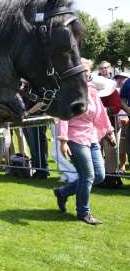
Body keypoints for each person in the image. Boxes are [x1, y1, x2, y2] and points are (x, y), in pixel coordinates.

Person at [53, 59, 115, 225]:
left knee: (99, 176)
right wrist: (63, 140)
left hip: (92, 137)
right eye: (82, 70)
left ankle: (63, 192)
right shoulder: (69, 92)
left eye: (87, 70)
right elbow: (64, 116)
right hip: (75, 137)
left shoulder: (92, 91)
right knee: (88, 176)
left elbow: (101, 113)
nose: (86, 73)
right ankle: (83, 212)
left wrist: (109, 131)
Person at [95, 76, 124, 187]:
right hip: (96, 127)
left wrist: (102, 110)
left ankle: (112, 178)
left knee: (111, 151)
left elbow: (117, 107)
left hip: (111, 126)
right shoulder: (92, 93)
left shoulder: (113, 93)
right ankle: (99, 177)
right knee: (97, 150)